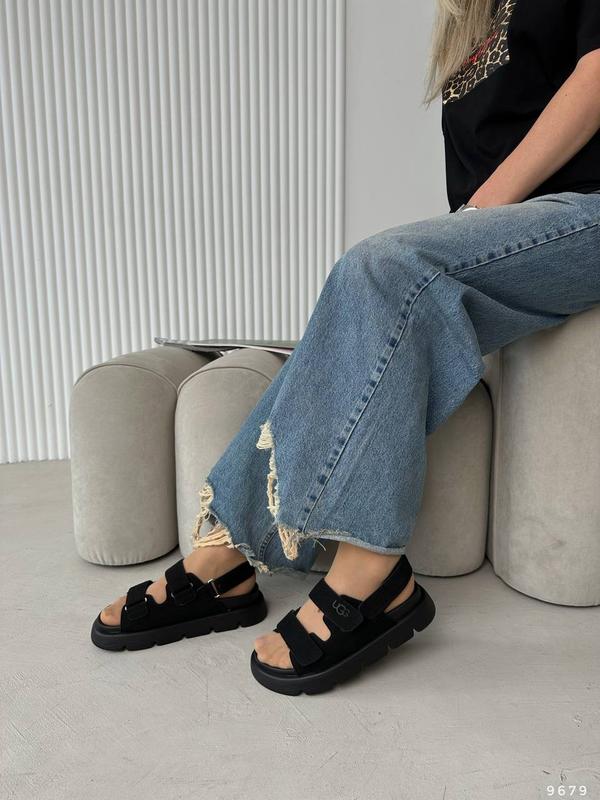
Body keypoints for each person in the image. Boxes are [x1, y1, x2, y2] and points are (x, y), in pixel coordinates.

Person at [92, 0, 600, 696]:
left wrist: (476, 217)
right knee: (367, 288)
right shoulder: (471, 18)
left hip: (587, 209)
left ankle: (371, 574)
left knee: (381, 267)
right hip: (525, 227)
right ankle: (224, 555)